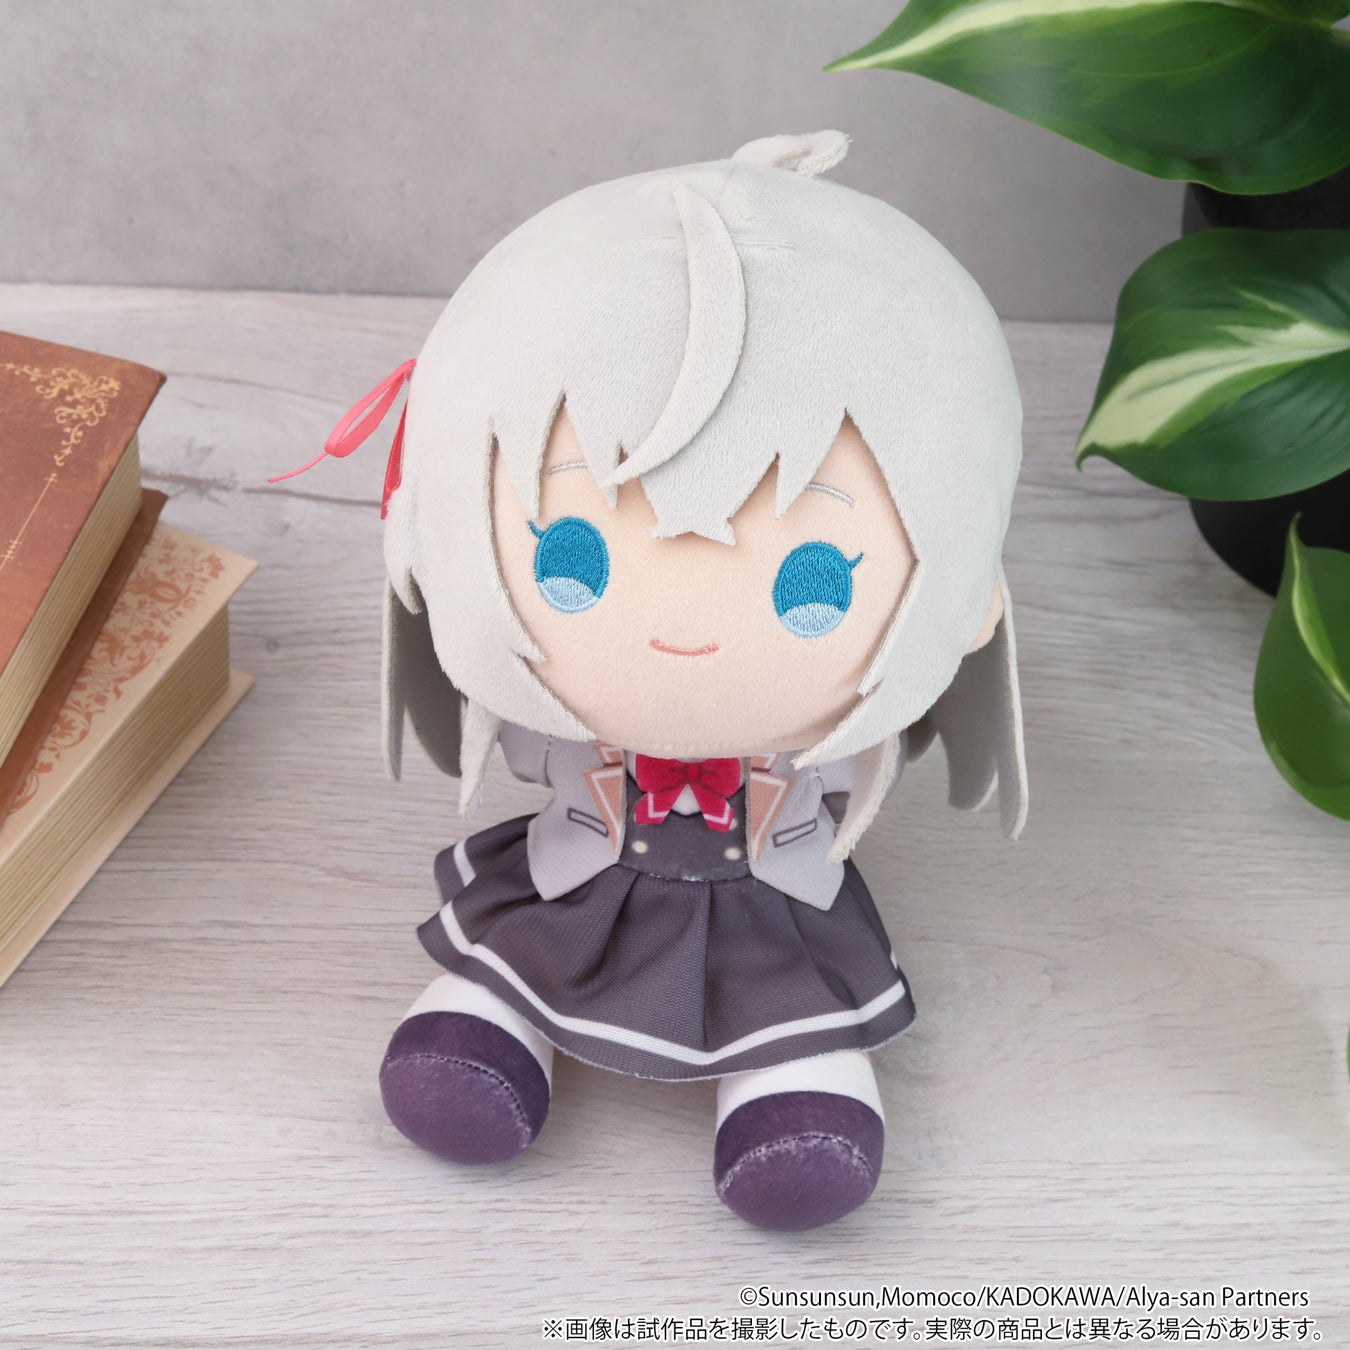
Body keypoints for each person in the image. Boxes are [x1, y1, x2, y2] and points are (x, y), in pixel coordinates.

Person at [295, 130, 1027, 1231]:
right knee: (528, 945)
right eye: (571, 562)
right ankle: (494, 1032)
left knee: (788, 1000)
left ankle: (792, 1089)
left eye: (813, 583)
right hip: (590, 875)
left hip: (768, 901)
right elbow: (535, 747)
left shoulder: (822, 754)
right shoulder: (568, 730)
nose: (684, 629)